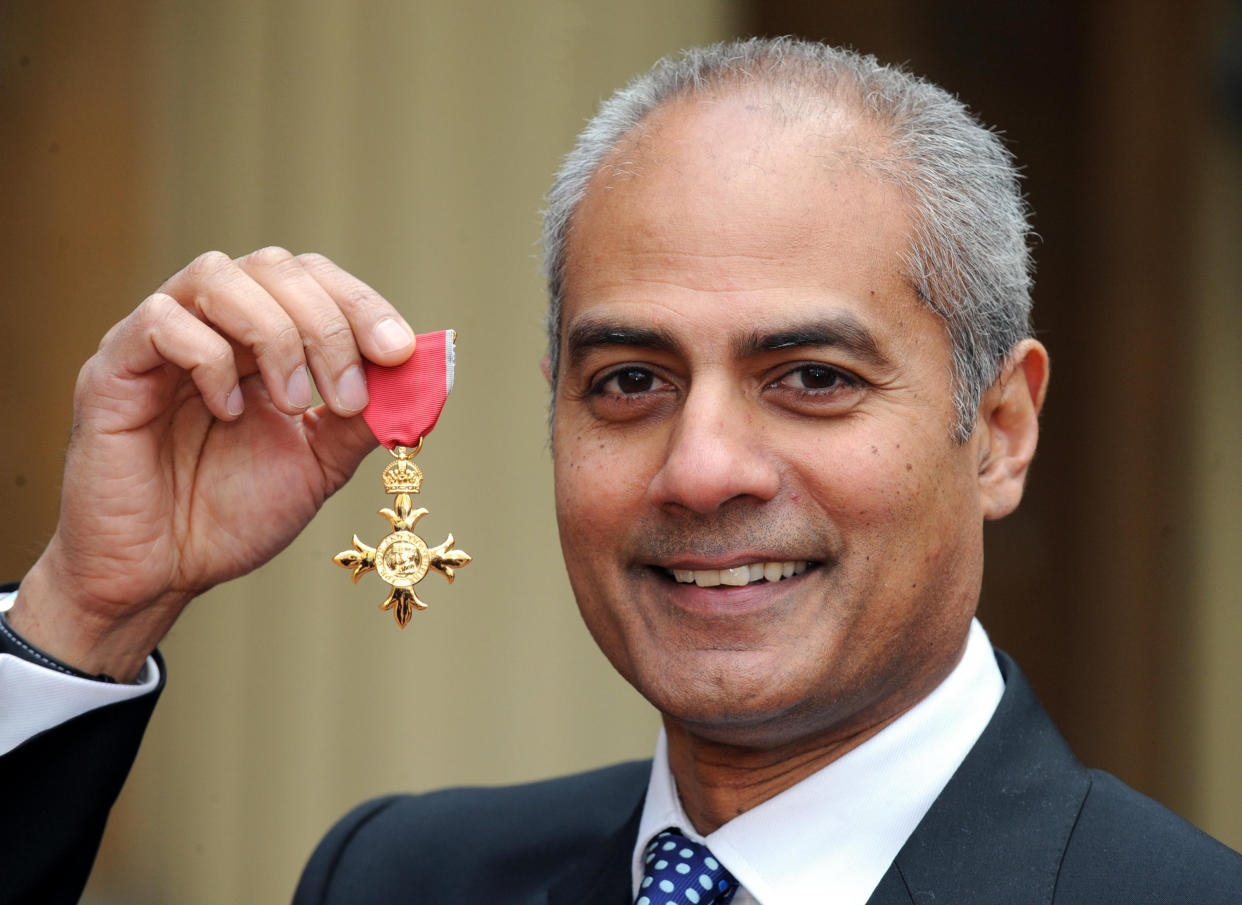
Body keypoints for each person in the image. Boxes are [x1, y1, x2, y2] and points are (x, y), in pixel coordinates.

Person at [2, 37, 1240, 905]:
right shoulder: (399, 877)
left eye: (811, 376)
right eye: (631, 380)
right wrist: (87, 611)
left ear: (1003, 428)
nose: (701, 470)